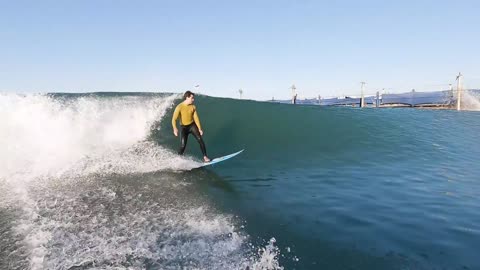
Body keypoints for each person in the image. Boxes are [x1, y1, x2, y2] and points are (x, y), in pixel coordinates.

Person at [171, 91, 211, 162]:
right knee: (183, 146)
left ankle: (205, 157)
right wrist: (175, 128)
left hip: (192, 126)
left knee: (200, 140)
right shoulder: (179, 107)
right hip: (184, 128)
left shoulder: (193, 107)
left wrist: (199, 128)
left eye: (193, 98)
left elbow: (196, 118)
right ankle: (177, 160)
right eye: (192, 98)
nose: (193, 99)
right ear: (187, 97)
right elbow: (174, 119)